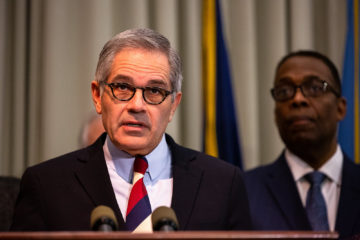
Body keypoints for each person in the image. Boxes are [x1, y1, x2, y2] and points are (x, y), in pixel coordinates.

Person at [11, 28, 252, 231]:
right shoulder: (46, 185)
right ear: (97, 96)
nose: (137, 105)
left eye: (155, 91)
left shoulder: (223, 183)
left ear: (173, 106)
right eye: (123, 87)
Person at [244, 50, 360, 239]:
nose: (298, 99)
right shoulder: (244, 191)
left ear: (340, 108)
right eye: (284, 91)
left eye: (315, 88)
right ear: (275, 114)